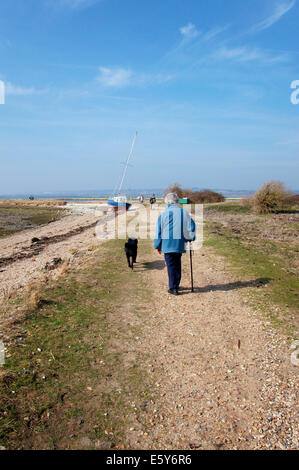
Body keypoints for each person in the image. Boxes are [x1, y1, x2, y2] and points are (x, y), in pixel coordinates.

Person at [154, 193, 196, 296]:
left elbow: (158, 232)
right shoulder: (184, 213)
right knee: (177, 264)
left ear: (167, 202)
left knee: (171, 266)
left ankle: (173, 288)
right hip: (179, 244)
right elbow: (192, 226)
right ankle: (175, 285)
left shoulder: (163, 214)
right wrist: (190, 237)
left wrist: (158, 245)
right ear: (177, 201)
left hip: (167, 244)